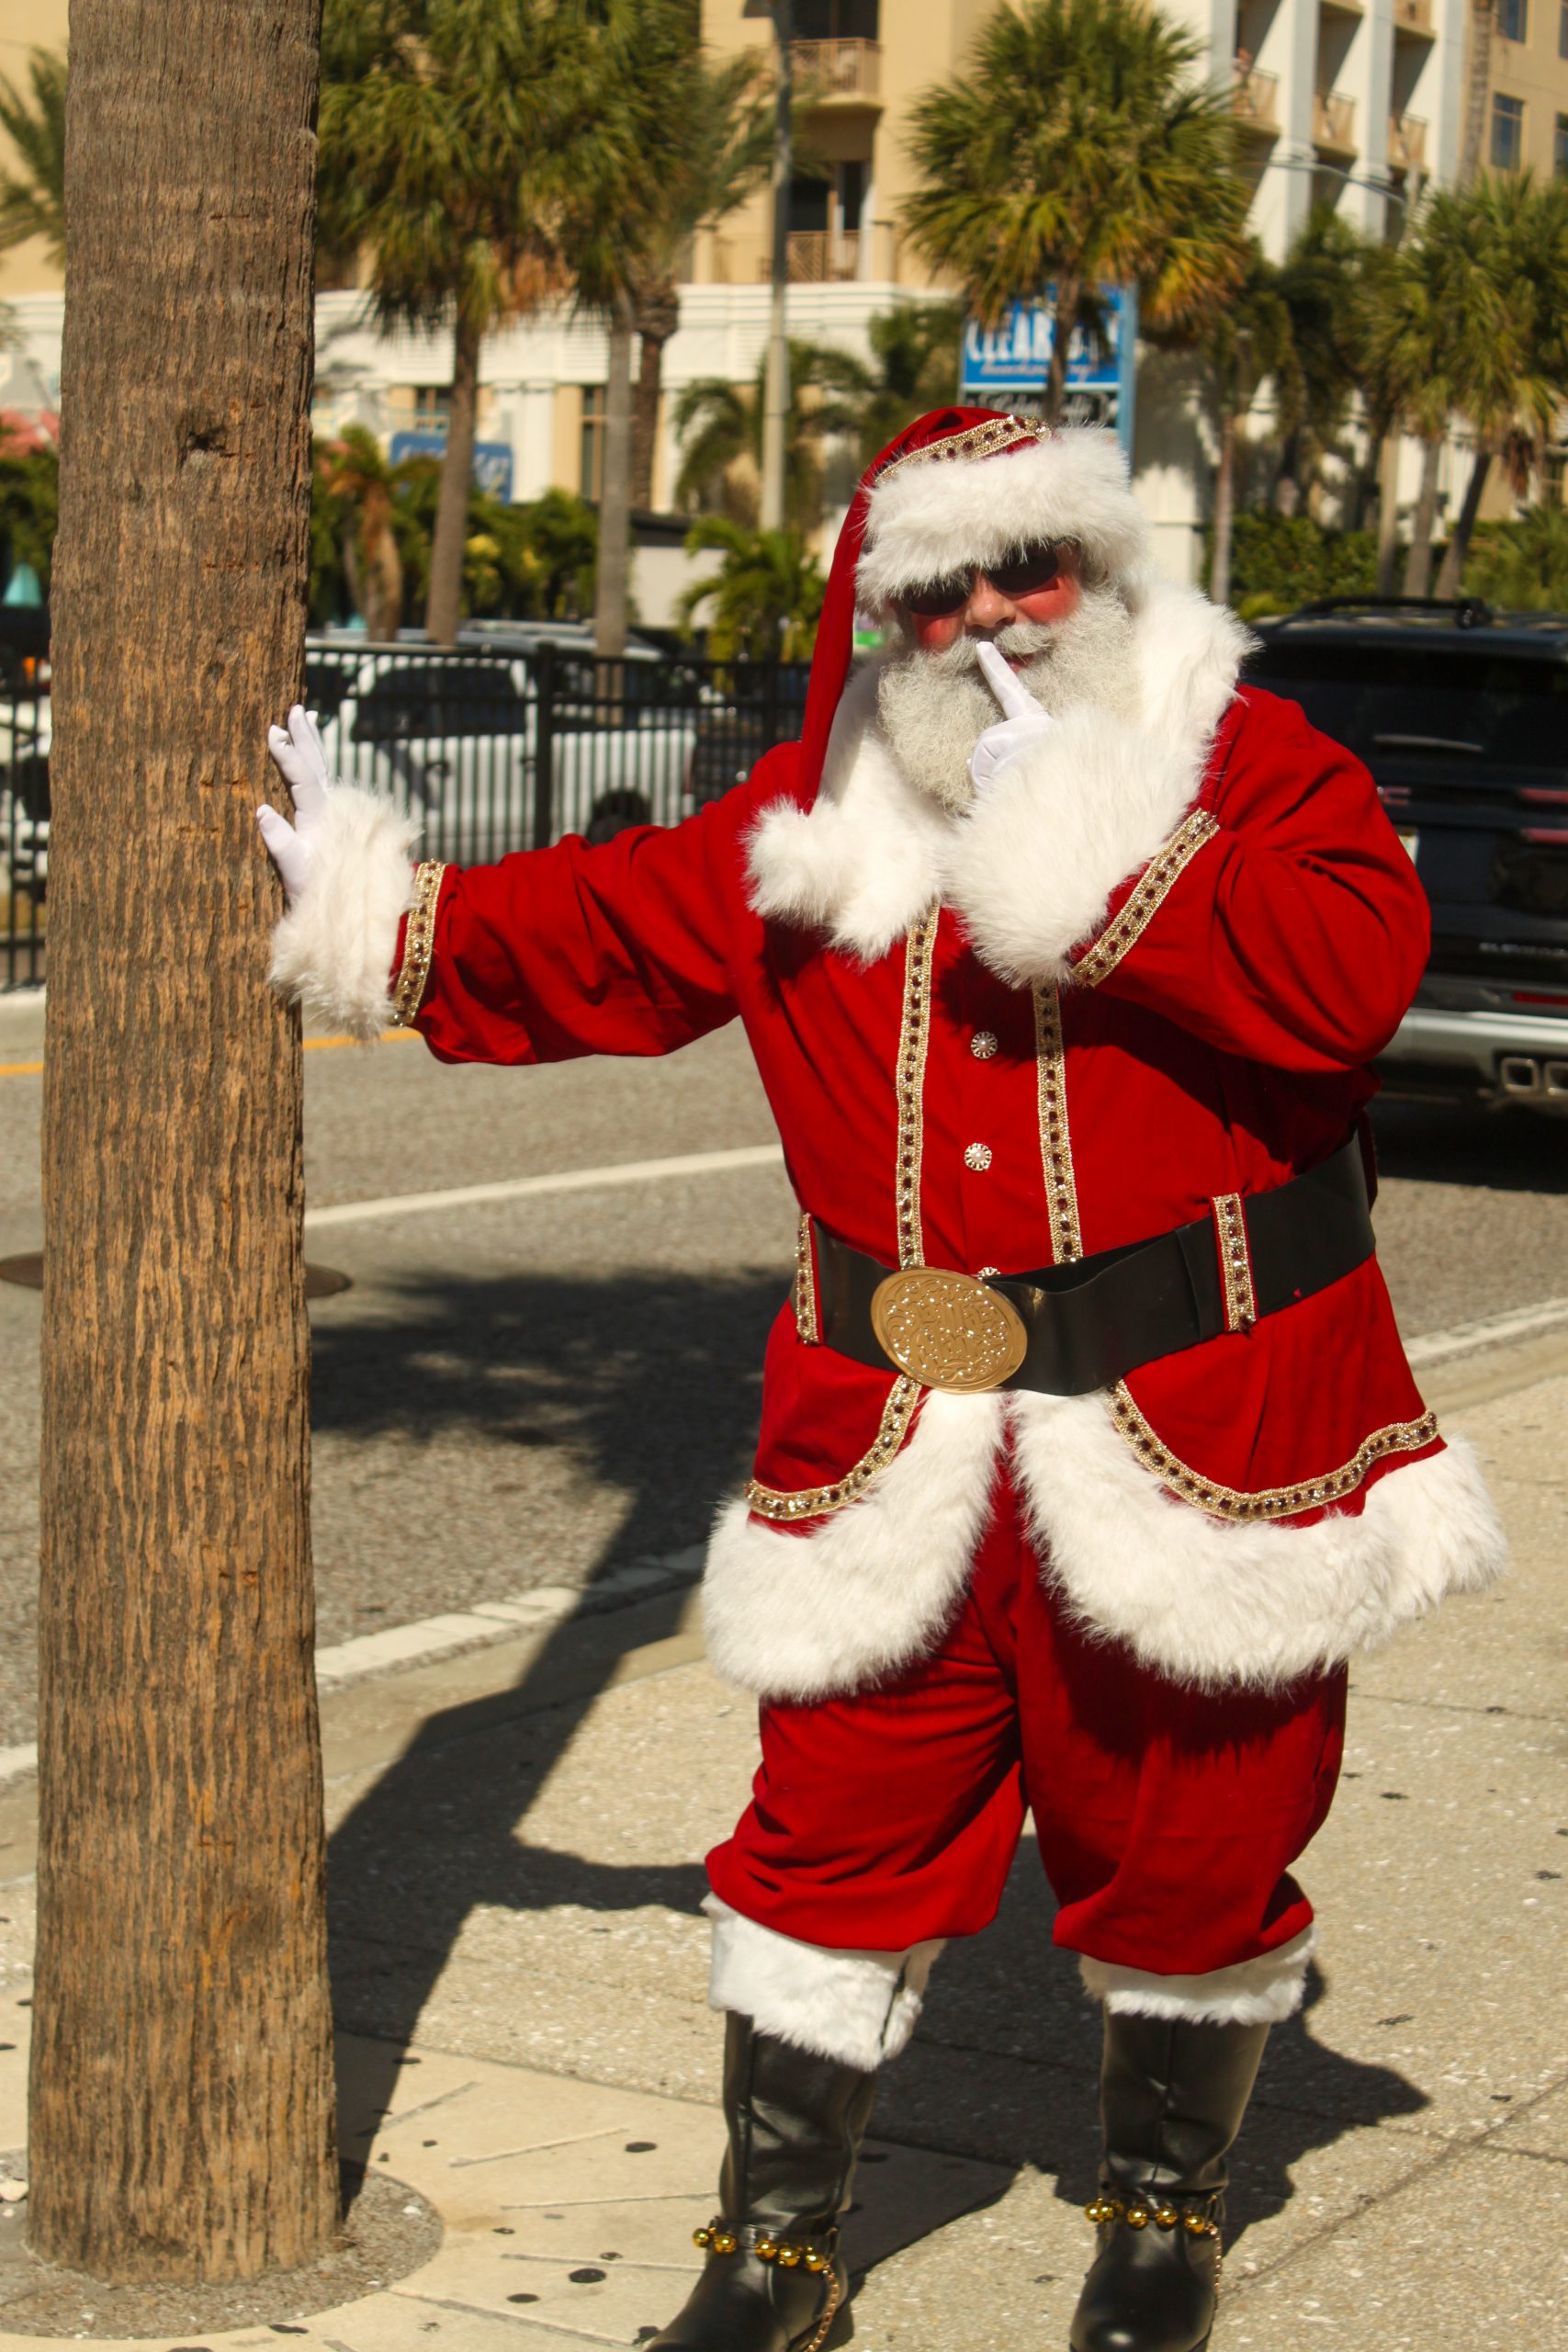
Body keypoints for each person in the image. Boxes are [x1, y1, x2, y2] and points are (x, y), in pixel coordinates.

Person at [259, 411, 1505, 2352]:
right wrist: (375, 910)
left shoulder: (1253, 769)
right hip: (888, 1444)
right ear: (878, 611)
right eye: (942, 587)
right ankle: (774, 2247)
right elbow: (600, 934)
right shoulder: (816, 818)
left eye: (1036, 570)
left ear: (1103, 574)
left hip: (1201, 1434)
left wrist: (1097, 850)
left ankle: (1159, 2211)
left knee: (1190, 1831)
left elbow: (1351, 971)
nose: (995, 616)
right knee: (825, 1829)